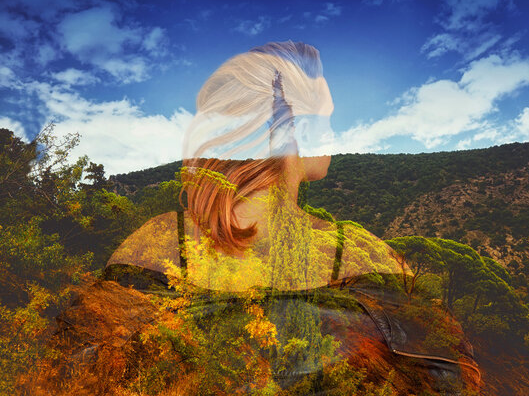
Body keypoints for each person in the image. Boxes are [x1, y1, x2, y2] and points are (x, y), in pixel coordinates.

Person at [27, 41, 480, 395]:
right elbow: (449, 376)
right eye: (323, 118)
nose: (334, 131)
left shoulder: (159, 244)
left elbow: (71, 372)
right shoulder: (358, 252)